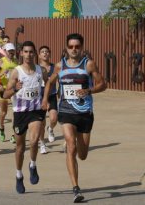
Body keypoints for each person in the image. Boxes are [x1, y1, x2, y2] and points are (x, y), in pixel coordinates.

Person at [42, 33, 107, 203]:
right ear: (66, 47)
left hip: (85, 113)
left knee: (83, 154)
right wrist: (44, 100)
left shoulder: (88, 64)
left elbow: (103, 84)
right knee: (70, 146)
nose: (74, 49)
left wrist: (89, 90)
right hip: (66, 111)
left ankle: (79, 146)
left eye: (77, 46)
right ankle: (76, 188)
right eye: (70, 46)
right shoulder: (59, 66)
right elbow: (50, 82)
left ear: (82, 48)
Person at [3, 41, 47, 194]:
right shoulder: (16, 72)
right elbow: (5, 94)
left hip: (35, 111)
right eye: (26, 52)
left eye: (31, 52)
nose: (28, 55)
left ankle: (33, 165)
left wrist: (46, 99)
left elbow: (47, 86)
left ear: (35, 54)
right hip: (20, 112)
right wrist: (15, 88)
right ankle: (19, 175)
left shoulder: (41, 70)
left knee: (34, 140)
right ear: (21, 53)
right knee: (20, 148)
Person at [0, 43, 18, 143]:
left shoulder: (17, 61)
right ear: (5, 51)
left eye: (13, 51)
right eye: (9, 51)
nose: (11, 53)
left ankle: (14, 134)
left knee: (15, 112)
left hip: (14, 89)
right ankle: (1, 128)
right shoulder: (0, 61)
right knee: (4, 112)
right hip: (3, 89)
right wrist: (1, 74)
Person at [37, 45, 58, 154]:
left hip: (52, 95)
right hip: (40, 96)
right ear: (39, 55)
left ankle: (50, 129)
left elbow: (60, 80)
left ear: (49, 54)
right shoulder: (36, 68)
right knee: (41, 122)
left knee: (54, 118)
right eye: (42, 52)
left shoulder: (55, 67)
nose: (45, 53)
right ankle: (42, 143)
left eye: (46, 51)